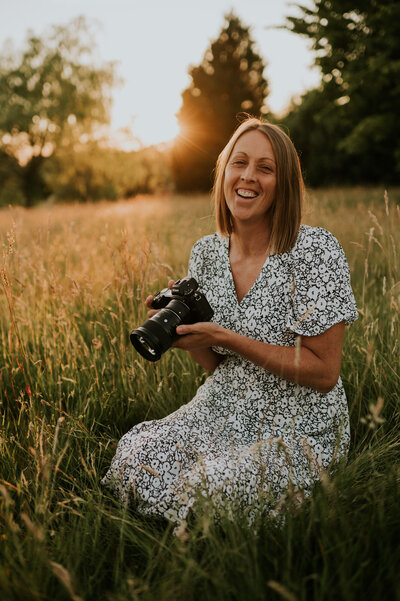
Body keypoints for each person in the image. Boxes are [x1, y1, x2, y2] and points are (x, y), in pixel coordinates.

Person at [101, 117, 358, 525]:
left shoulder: (314, 250)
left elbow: (325, 372)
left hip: (295, 421)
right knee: (137, 456)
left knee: (214, 488)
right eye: (239, 163)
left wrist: (230, 337)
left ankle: (211, 528)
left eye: (265, 168)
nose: (248, 177)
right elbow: (216, 365)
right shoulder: (205, 253)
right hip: (219, 406)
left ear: (284, 183)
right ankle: (192, 521)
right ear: (224, 173)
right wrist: (186, 334)